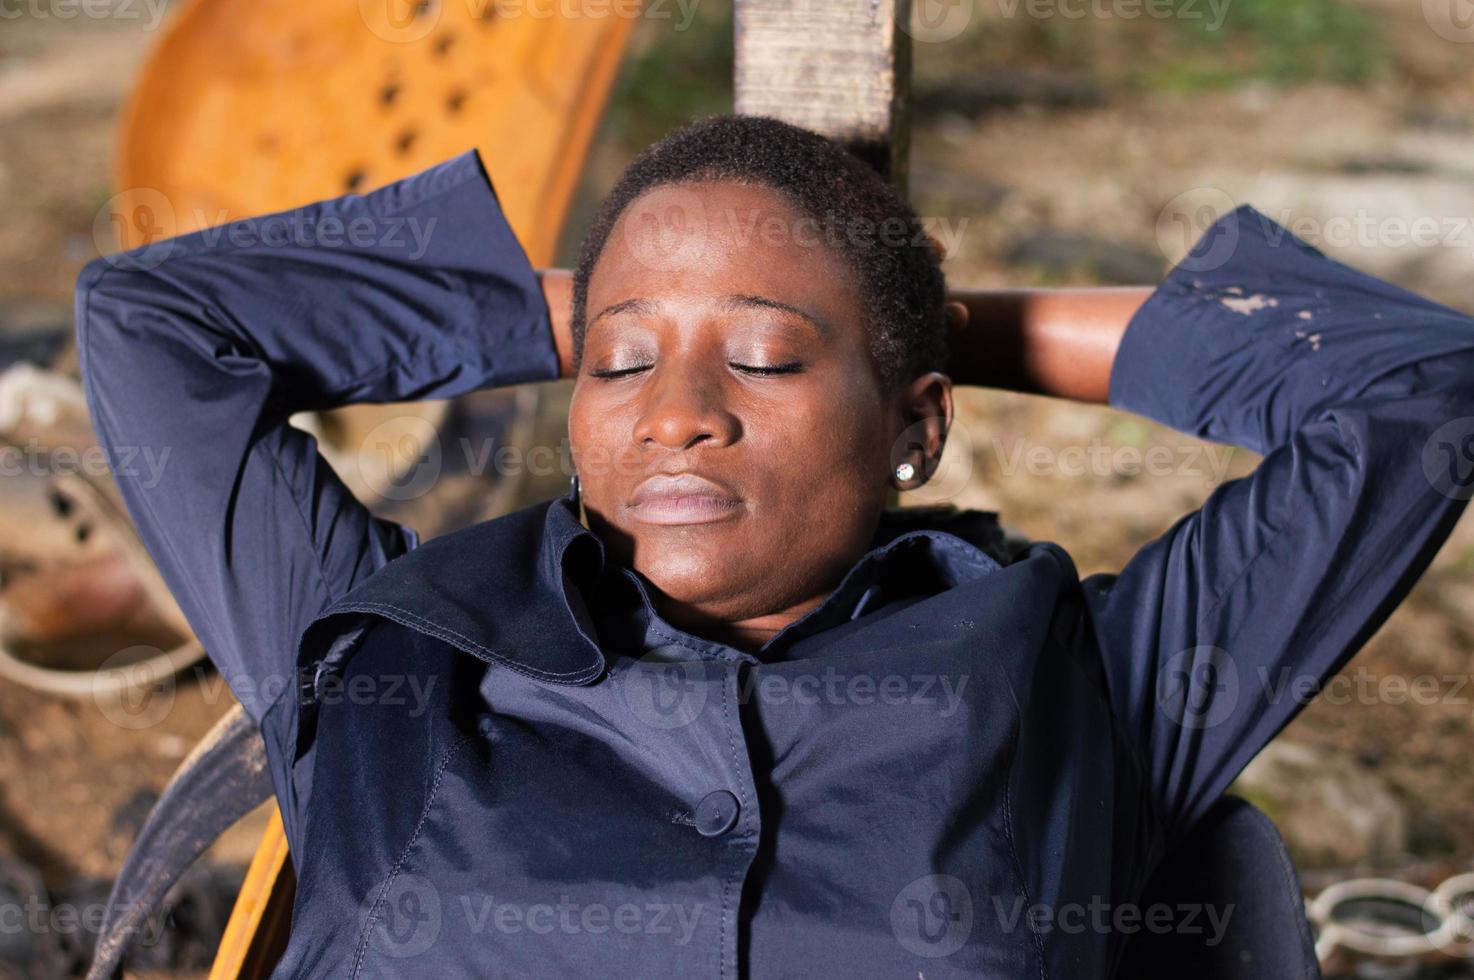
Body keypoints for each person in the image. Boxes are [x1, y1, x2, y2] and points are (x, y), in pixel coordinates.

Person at [74, 114, 1474, 978]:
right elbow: (154, 323)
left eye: (762, 359)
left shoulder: (1093, 683)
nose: (678, 416)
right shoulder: (376, 649)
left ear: (915, 424)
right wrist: (619, 298)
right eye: (617, 367)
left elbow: (1418, 390)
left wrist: (936, 320)